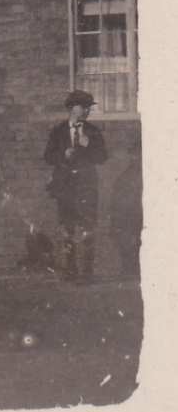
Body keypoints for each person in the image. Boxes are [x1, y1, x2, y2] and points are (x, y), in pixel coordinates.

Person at [44, 89, 107, 282]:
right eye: (84, 107)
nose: (87, 111)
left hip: (87, 187)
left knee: (88, 228)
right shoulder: (58, 131)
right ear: (72, 108)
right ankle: (70, 270)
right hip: (65, 188)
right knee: (67, 228)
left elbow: (103, 157)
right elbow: (48, 156)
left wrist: (88, 145)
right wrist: (63, 154)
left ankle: (87, 272)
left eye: (89, 107)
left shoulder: (93, 132)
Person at [109, 140, 142, 278]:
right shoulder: (125, 178)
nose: (137, 158)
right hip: (130, 221)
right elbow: (119, 206)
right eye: (135, 155)